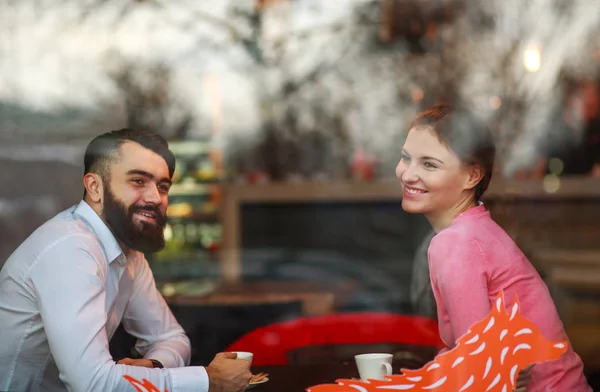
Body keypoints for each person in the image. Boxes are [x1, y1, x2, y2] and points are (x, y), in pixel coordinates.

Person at [0, 129, 252, 392]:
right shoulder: (71, 249)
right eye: (138, 181)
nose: (156, 197)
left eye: (162, 186)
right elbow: (92, 382)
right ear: (95, 187)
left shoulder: (128, 252)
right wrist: (208, 381)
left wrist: (155, 366)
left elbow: (171, 338)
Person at [395, 105, 591, 391]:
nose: (407, 174)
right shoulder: (477, 229)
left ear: (471, 177)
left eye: (429, 164)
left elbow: (477, 372)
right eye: (405, 158)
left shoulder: (456, 242)